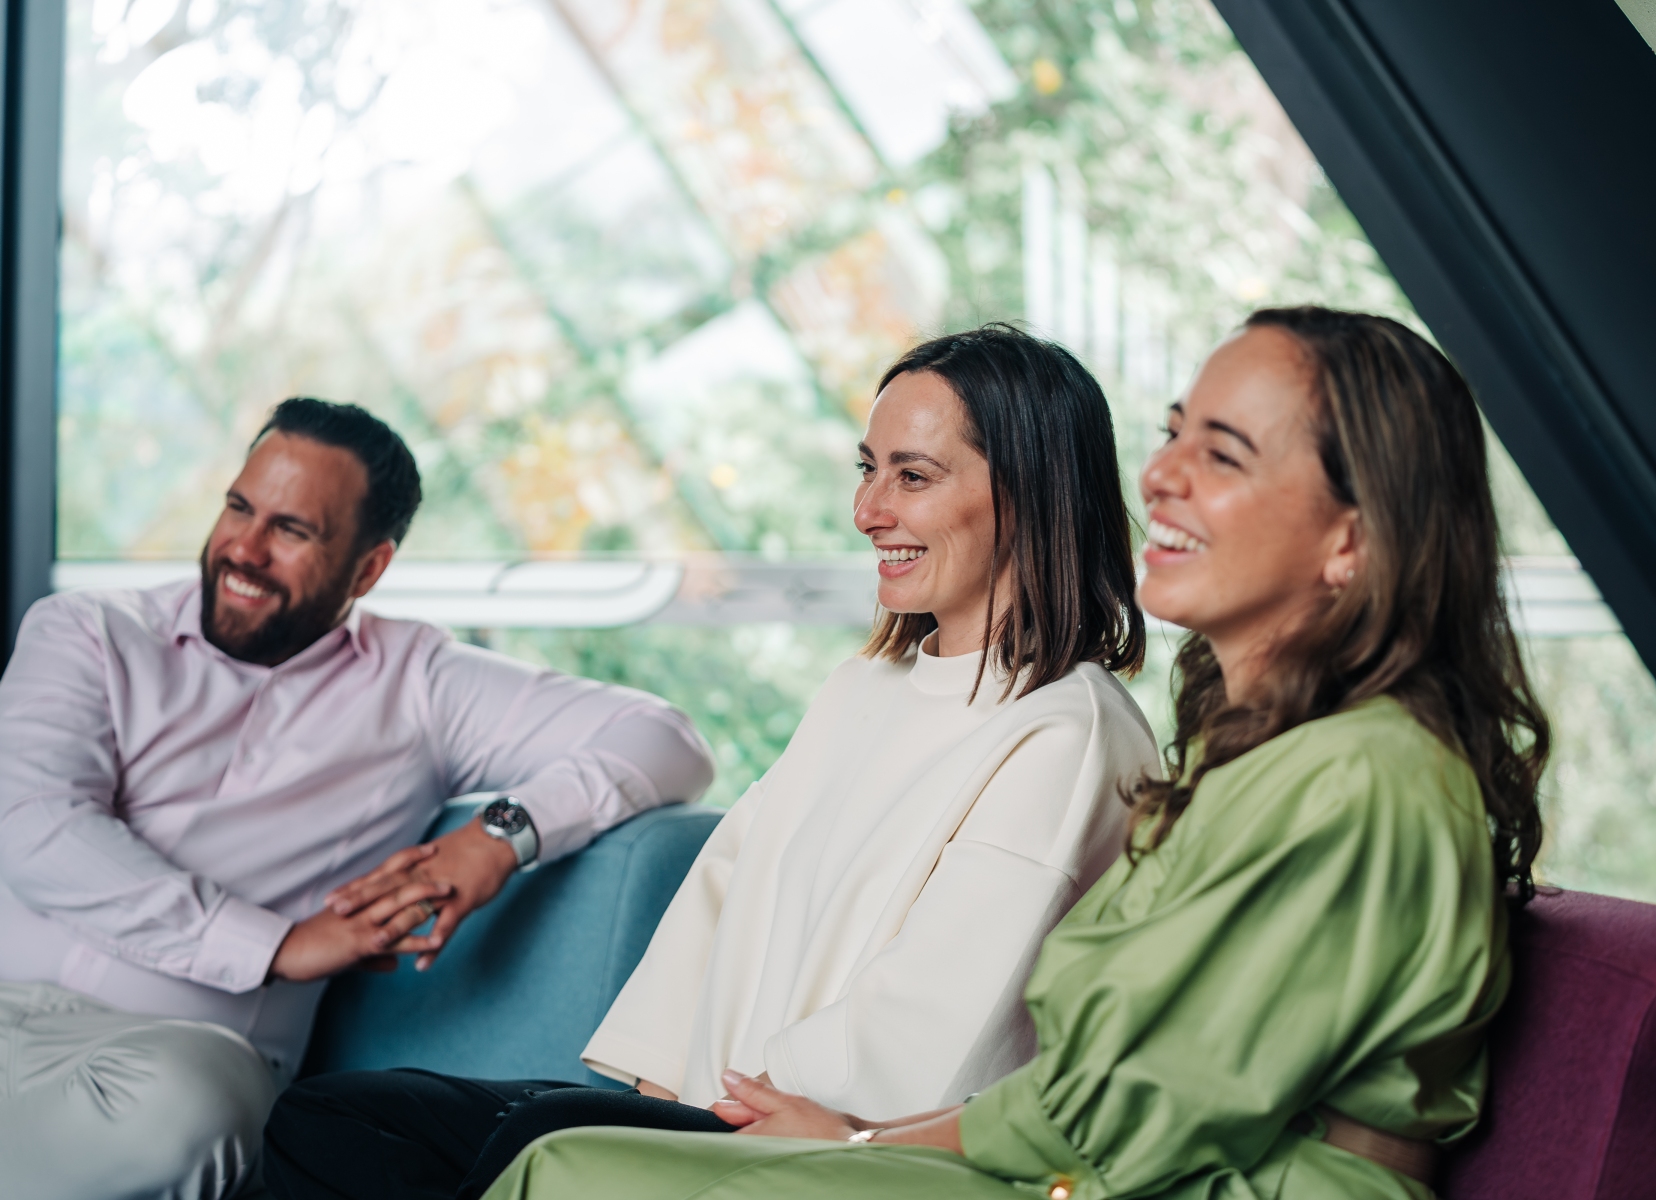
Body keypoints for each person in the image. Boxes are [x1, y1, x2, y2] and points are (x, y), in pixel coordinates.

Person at [472, 305, 1552, 1200]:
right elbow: (1095, 1098)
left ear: (1352, 538)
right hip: (1077, 1166)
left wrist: (854, 1142)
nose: (1159, 475)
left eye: (1221, 455)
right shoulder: (1268, 763)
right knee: (539, 1155)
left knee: (560, 1170)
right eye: (1173, 435)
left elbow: (1118, 1117)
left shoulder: (1356, 779)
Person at [263, 324, 1161, 1200]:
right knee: (334, 1120)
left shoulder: (1067, 733)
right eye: (868, 469)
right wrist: (657, 1099)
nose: (867, 512)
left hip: (836, 1145)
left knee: (531, 1146)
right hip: (714, 1111)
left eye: (913, 477)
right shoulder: (864, 688)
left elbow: (939, 1016)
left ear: (1030, 494)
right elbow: (722, 890)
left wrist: (710, 1121)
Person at [0, 398, 716, 1200]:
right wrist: (271, 946)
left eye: (291, 530)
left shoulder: (420, 687)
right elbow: (34, 830)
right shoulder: (89, 632)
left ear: (368, 569)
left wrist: (496, 837)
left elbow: (665, 738)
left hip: (175, 1065)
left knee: (186, 1116)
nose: (244, 548)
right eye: (239, 507)